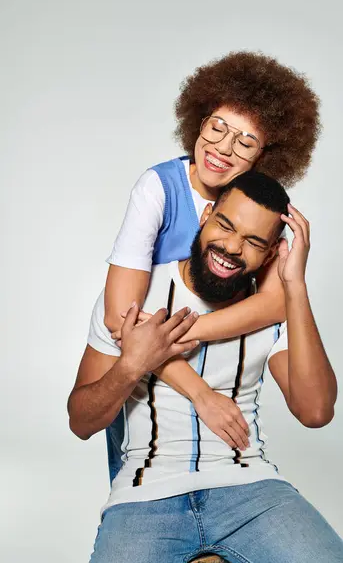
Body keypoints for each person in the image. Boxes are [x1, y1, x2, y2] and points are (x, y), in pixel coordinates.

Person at [68, 171, 343, 562]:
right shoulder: (134, 293)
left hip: (251, 490)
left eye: (254, 242)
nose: (232, 247)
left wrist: (296, 286)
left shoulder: (274, 308)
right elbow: (81, 422)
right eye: (225, 224)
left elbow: (316, 410)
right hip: (146, 496)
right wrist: (132, 365)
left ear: (271, 253)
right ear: (206, 215)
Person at [103, 51, 321, 481]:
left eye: (244, 141)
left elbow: (277, 306)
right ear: (198, 121)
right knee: (135, 476)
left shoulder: (261, 210)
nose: (223, 147)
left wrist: (180, 333)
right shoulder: (159, 188)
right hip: (148, 376)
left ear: (266, 154)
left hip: (216, 366)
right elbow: (118, 318)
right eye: (217, 127)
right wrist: (198, 391)